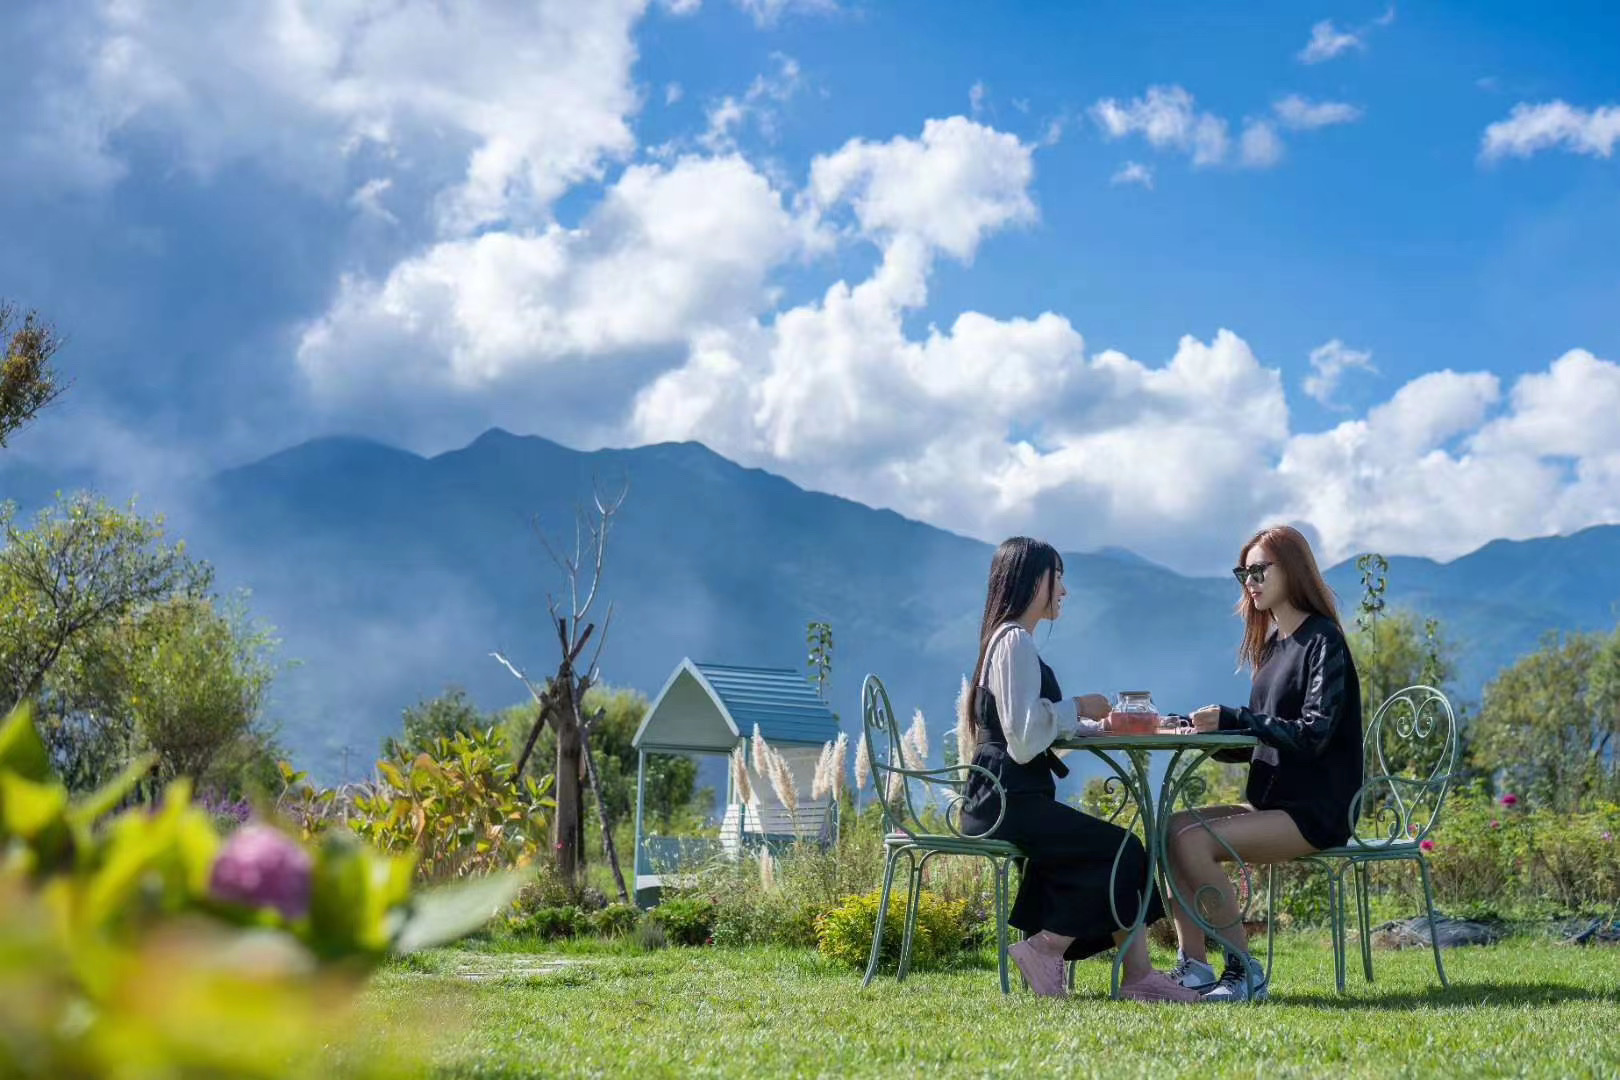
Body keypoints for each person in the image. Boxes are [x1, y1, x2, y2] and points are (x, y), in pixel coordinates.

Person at [959, 536, 1198, 1004]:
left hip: (1003, 797)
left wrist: (1096, 725)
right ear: (1034, 581)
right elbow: (1024, 739)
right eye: (1059, 577)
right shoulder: (1014, 641)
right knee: (1124, 849)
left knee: (1107, 850)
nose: (1064, 591)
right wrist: (1078, 706)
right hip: (1007, 801)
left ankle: (1129, 973)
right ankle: (1052, 950)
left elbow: (1026, 725)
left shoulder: (1006, 640)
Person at [1162, 524, 1364, 1002]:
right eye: (1244, 574)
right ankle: (1194, 968)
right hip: (1272, 806)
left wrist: (1236, 718)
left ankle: (1244, 971)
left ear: (1291, 570)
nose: (1250, 582)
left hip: (1316, 812)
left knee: (1193, 842)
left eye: (1259, 571)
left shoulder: (1323, 642)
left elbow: (1312, 734)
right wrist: (1203, 734)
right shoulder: (1273, 646)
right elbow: (1263, 739)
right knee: (1170, 829)